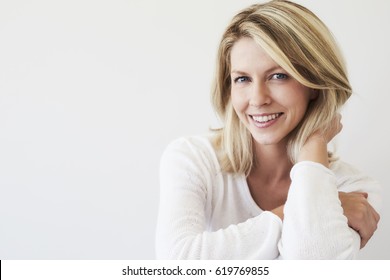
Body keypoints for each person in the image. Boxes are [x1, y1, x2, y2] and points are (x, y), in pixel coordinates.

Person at [155, 0, 381, 259]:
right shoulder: (193, 158)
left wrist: (314, 143)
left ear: (315, 85)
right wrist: (317, 207)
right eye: (243, 79)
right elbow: (176, 262)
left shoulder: (355, 188)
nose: (258, 98)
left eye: (279, 76)